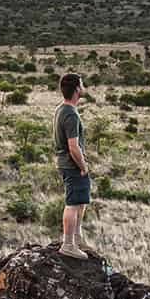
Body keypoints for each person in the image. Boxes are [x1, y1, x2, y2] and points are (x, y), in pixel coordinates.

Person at [53, 71, 95, 259]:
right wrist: (83, 165)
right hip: (72, 164)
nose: (83, 86)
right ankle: (68, 244)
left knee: (80, 200)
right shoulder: (70, 114)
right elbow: (73, 146)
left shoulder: (61, 109)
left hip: (67, 163)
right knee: (72, 203)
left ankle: (77, 237)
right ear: (77, 89)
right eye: (82, 83)